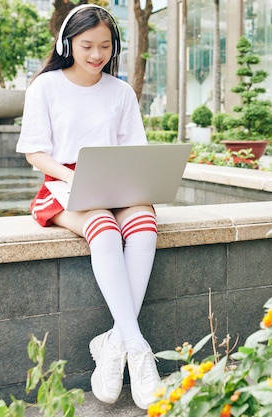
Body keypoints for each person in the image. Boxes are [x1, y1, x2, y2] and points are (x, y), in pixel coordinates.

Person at [16, 4, 160, 410]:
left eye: (105, 46)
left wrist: (135, 184)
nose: (97, 55)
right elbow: (35, 153)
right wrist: (72, 177)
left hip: (114, 177)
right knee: (104, 227)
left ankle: (115, 341)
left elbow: (135, 151)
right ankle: (138, 349)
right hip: (64, 182)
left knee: (145, 223)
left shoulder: (120, 92)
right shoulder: (44, 87)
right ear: (67, 44)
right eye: (86, 46)